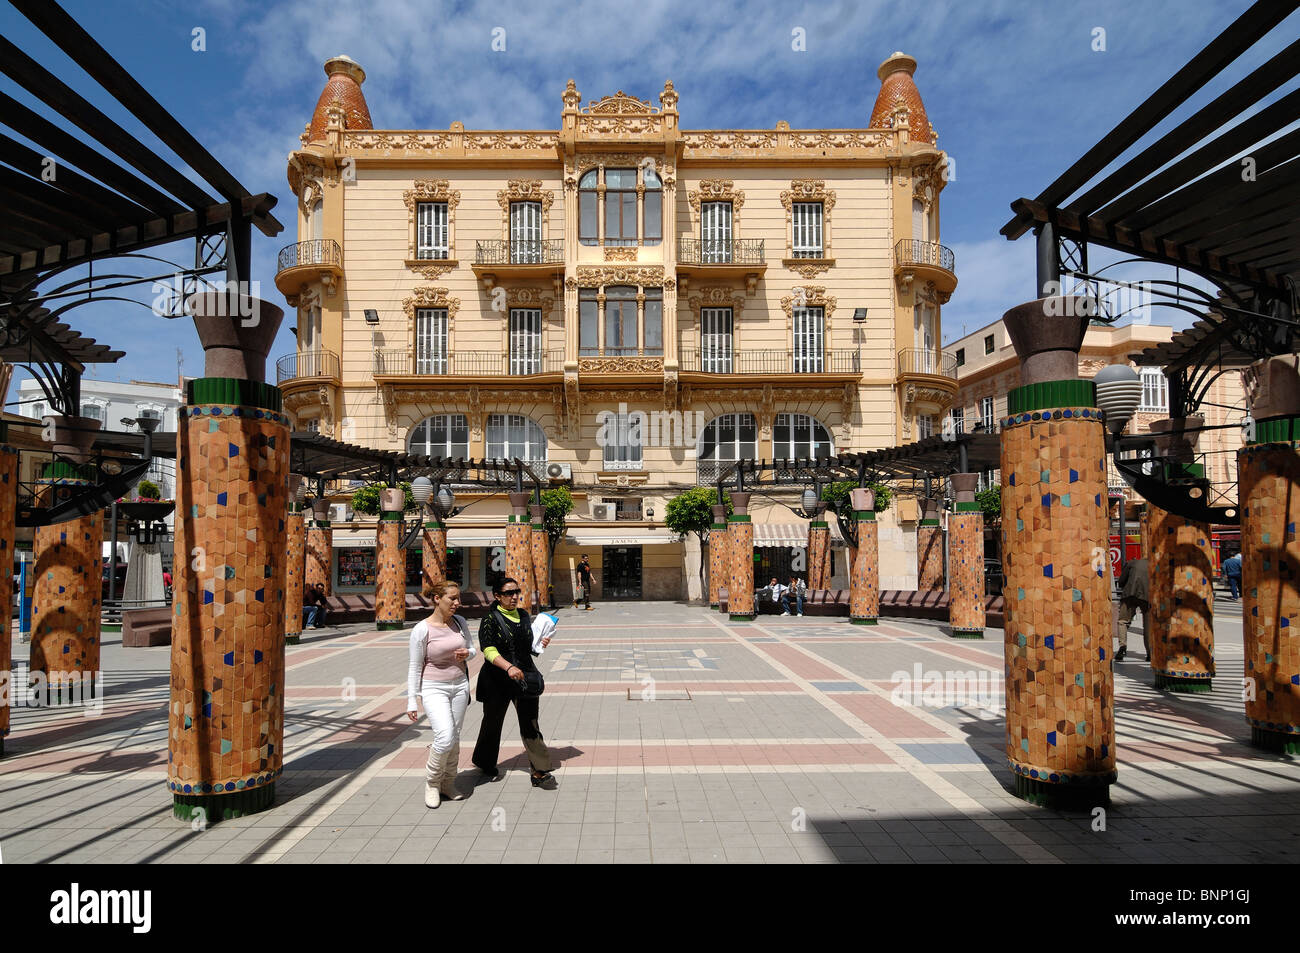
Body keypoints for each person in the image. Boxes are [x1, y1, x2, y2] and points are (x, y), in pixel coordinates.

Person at [472, 577, 556, 788]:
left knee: (530, 723)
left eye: (516, 592)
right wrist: (508, 667)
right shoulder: (490, 619)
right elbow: (488, 649)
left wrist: (540, 643)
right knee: (492, 723)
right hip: (496, 679)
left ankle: (540, 770)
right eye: (508, 593)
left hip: (524, 677)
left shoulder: (525, 616)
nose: (514, 596)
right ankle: (485, 761)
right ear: (497, 596)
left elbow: (528, 646)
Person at [406, 581, 476, 808]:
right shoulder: (422, 629)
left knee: (454, 737)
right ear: (437, 599)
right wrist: (411, 700)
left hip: (459, 686)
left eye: (458, 598)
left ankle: (448, 783)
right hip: (433, 688)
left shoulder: (460, 622)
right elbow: (415, 666)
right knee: (444, 736)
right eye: (452, 598)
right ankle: (432, 783)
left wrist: (468, 653)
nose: (458, 603)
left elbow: (474, 649)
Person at [1115, 558, 1149, 662]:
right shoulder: (1154, 564)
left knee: (1123, 621)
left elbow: (1121, 581)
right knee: (1148, 625)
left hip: (1130, 594)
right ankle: (1150, 652)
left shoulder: (1132, 562)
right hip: (1147, 596)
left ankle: (1122, 647)